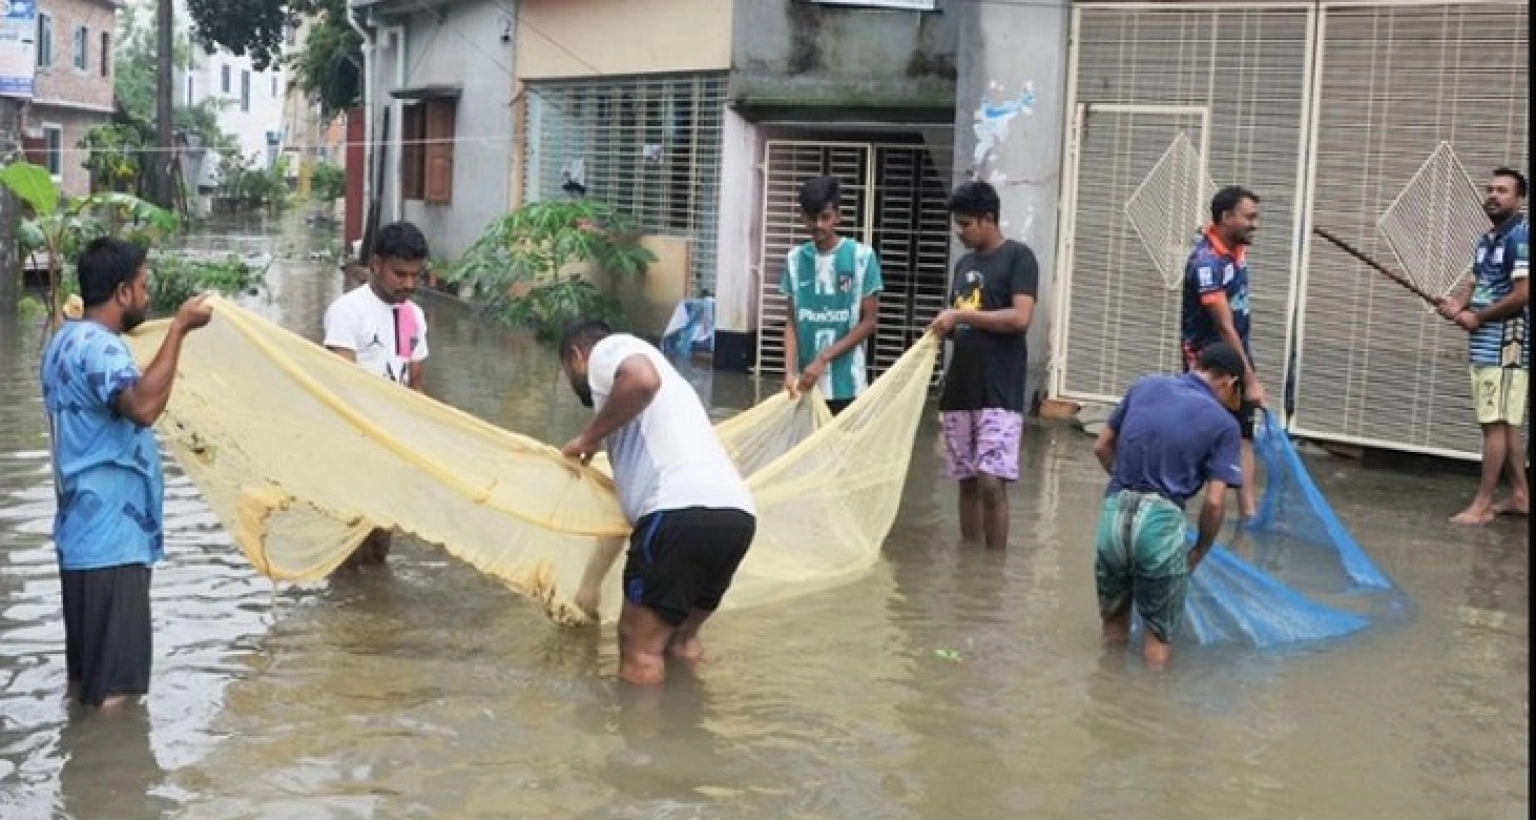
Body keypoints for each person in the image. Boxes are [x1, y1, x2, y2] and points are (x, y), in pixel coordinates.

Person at [40, 238, 214, 710]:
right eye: (142, 286)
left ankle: (81, 770)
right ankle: (112, 782)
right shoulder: (101, 349)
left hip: (81, 538)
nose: (148, 295)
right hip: (111, 542)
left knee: (86, 684)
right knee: (115, 695)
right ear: (121, 293)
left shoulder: (64, 341)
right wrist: (178, 329)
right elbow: (141, 407)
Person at [557, 320, 757, 686]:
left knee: (640, 650)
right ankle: (686, 731)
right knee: (680, 640)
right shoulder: (665, 400)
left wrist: (587, 438)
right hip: (736, 516)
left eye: (568, 373)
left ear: (576, 357)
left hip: (677, 512)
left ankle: (641, 744)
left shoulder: (610, 350)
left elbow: (641, 380)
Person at [1091, 343, 1247, 670]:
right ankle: (1151, 713)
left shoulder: (1144, 386)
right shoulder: (1225, 425)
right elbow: (1215, 502)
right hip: (1160, 524)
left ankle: (1106, 699)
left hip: (1114, 513)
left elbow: (1102, 446)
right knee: (1157, 636)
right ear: (1229, 382)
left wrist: (1124, 483)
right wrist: (1199, 551)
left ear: (1197, 364)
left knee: (1114, 624)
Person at [927, 180, 1039, 550]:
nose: (960, 232)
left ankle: (994, 567)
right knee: (967, 481)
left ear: (988, 219)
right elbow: (960, 324)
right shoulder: (964, 265)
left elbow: (1021, 318)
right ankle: (970, 565)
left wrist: (961, 315)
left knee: (992, 481)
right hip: (961, 389)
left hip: (1000, 388)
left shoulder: (1019, 257)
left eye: (966, 224)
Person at [322, 221, 431, 568]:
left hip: (391, 445)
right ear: (376, 265)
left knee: (380, 544)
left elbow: (413, 385)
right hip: (353, 443)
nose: (409, 284)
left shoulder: (412, 315)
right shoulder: (348, 312)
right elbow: (343, 383)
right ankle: (347, 617)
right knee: (348, 545)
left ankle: (374, 618)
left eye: (416, 275)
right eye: (400, 274)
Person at [1437, 167, 1530, 525]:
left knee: (1493, 424)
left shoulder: (1520, 237)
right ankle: (1521, 495)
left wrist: (1478, 318)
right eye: (1490, 189)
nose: (1493, 195)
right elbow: (1475, 283)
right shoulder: (1488, 238)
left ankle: (1483, 504)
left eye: (1502, 190)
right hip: (1486, 343)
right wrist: (1457, 306)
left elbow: (1523, 294)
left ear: (1519, 197)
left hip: (1507, 344)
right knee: (1504, 425)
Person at [1180, 185, 1266, 520]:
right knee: (1201, 431)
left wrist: (1247, 371)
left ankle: (1248, 513)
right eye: (1249, 217)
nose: (1255, 224)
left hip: (1238, 354)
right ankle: (1186, 503)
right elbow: (1225, 326)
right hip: (1210, 363)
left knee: (1243, 433)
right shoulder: (1206, 263)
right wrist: (1251, 379)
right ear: (1226, 218)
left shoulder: (1234, 248)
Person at [780, 175, 883, 415]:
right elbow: (792, 321)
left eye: (825, 217)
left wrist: (823, 358)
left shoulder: (862, 257)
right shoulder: (794, 260)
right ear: (803, 217)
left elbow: (869, 322)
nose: (819, 225)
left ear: (838, 216)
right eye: (812, 218)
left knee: (844, 451)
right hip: (805, 386)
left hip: (848, 386)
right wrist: (788, 371)